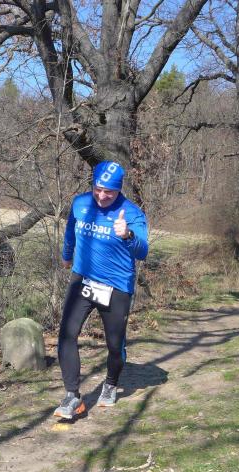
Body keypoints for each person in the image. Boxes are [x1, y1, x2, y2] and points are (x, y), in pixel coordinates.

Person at [53, 160, 149, 419]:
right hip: (83, 279)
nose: (102, 196)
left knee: (114, 344)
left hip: (116, 285)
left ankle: (111, 383)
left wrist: (128, 235)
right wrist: (67, 255)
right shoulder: (80, 203)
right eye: (98, 189)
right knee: (66, 335)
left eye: (109, 191)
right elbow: (71, 231)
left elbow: (143, 251)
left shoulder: (132, 213)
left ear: (119, 189)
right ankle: (72, 396)